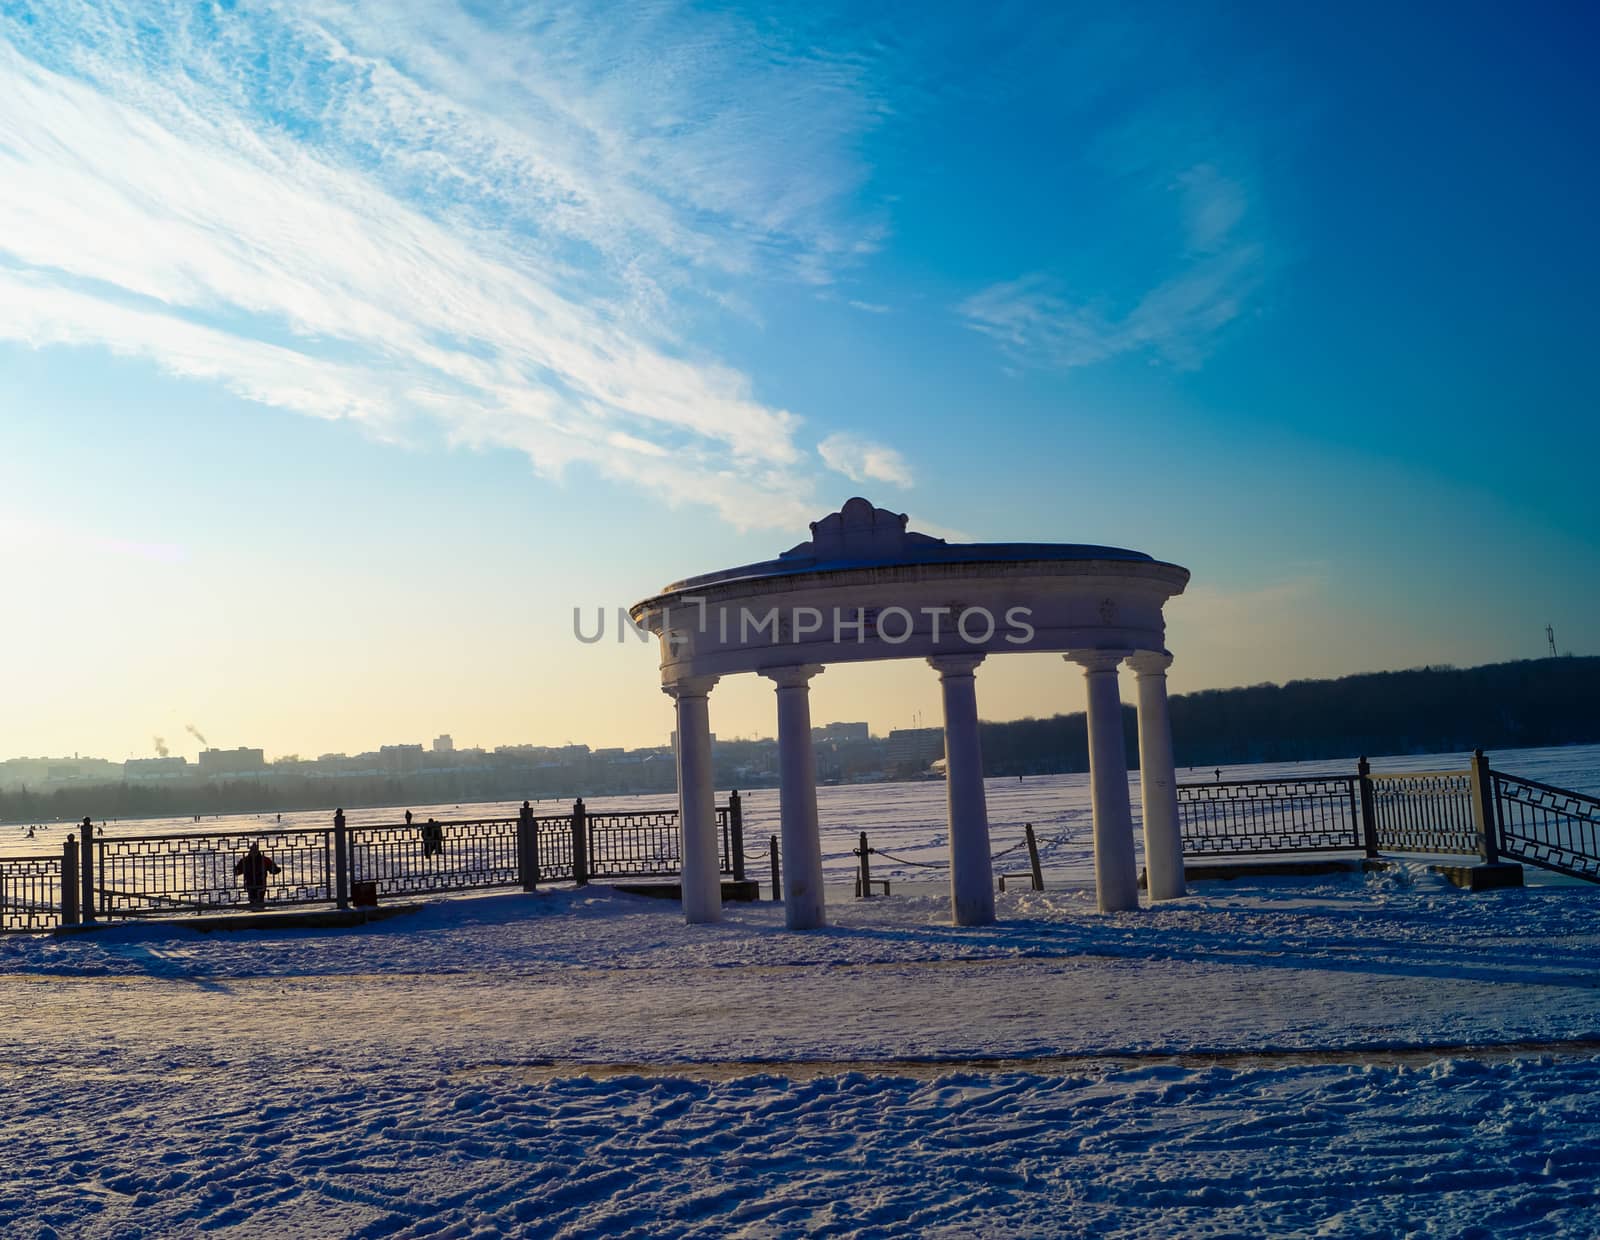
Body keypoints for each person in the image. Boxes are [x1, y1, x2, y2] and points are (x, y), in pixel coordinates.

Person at [234, 841, 281, 911]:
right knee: (253, 900)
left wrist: (276, 870)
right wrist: (236, 870)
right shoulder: (245, 860)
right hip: (250, 884)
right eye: (252, 850)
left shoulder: (263, 859)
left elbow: (273, 869)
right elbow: (238, 871)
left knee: (259, 900)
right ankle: (257, 913)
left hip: (260, 883)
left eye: (255, 850)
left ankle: (258, 912)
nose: (253, 852)